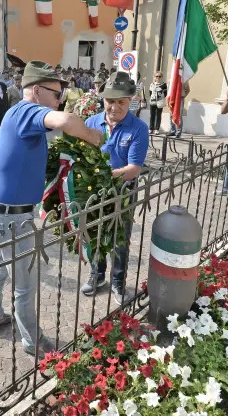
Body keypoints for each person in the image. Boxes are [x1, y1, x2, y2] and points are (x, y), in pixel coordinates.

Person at [0, 60, 103, 356]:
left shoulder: (21, 116)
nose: (60, 100)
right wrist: (92, 136)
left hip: (0, 212)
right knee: (24, 283)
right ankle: (32, 341)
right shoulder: (25, 110)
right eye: (56, 93)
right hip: (11, 218)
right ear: (36, 91)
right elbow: (65, 122)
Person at [81, 72, 149, 303]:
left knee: (120, 239)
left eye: (121, 102)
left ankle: (118, 282)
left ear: (130, 101)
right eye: (110, 101)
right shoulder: (91, 123)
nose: (114, 107)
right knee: (95, 235)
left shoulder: (138, 128)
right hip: (94, 193)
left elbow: (133, 169)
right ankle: (97, 275)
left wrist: (103, 176)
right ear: (103, 100)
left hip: (123, 193)